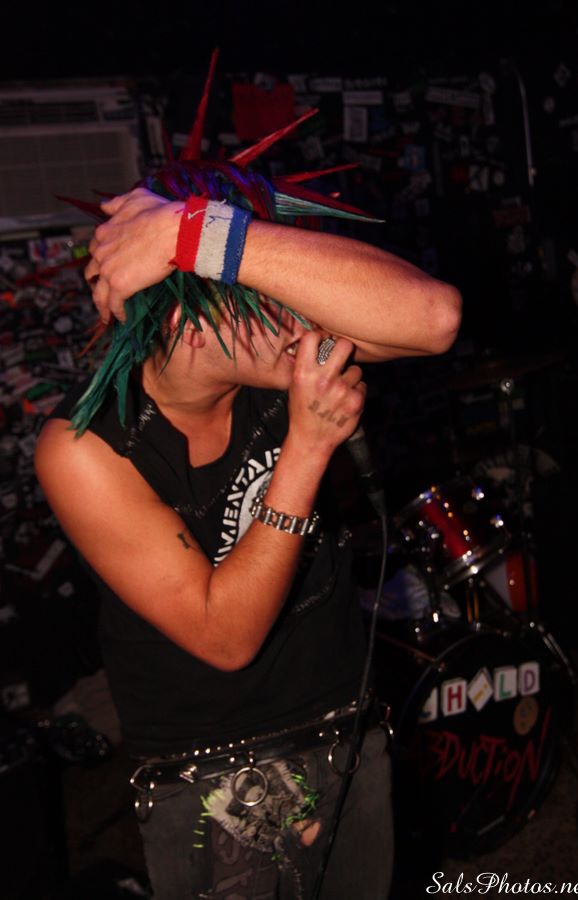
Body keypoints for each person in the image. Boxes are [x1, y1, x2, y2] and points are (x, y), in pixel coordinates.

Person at [35, 158, 461, 899]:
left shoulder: (265, 366)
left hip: (345, 728)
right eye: (267, 302)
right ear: (184, 321)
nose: (304, 322)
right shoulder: (84, 447)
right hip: (212, 777)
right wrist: (307, 449)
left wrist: (195, 232)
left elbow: (434, 318)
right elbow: (224, 635)